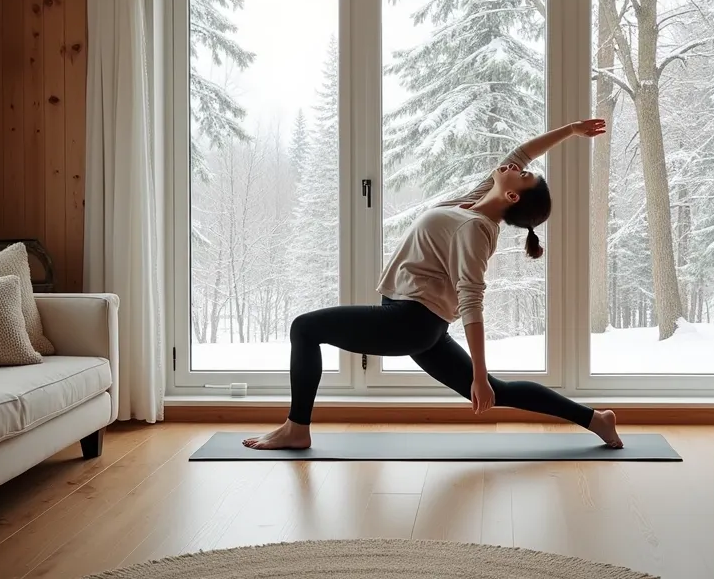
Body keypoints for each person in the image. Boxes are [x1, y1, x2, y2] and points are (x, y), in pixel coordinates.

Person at [244, 119, 623, 450]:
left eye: (522, 175)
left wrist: (477, 375)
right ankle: (596, 420)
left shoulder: (476, 229)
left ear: (511, 196)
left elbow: (472, 301)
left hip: (410, 321)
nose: (514, 166)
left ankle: (297, 428)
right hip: (421, 323)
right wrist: (570, 131)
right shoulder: (475, 203)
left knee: (305, 329)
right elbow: (520, 152)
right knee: (501, 390)